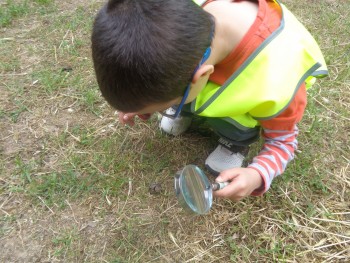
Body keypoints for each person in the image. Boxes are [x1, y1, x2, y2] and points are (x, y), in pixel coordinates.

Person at [91, 0, 328, 201]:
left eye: (164, 107)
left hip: (242, 107)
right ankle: (180, 104)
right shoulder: (177, 15)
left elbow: (284, 142)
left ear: (203, 76)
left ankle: (235, 141)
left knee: (226, 112)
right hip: (195, 80)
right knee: (179, 90)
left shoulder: (278, 78)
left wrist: (257, 174)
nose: (161, 111)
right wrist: (139, 102)